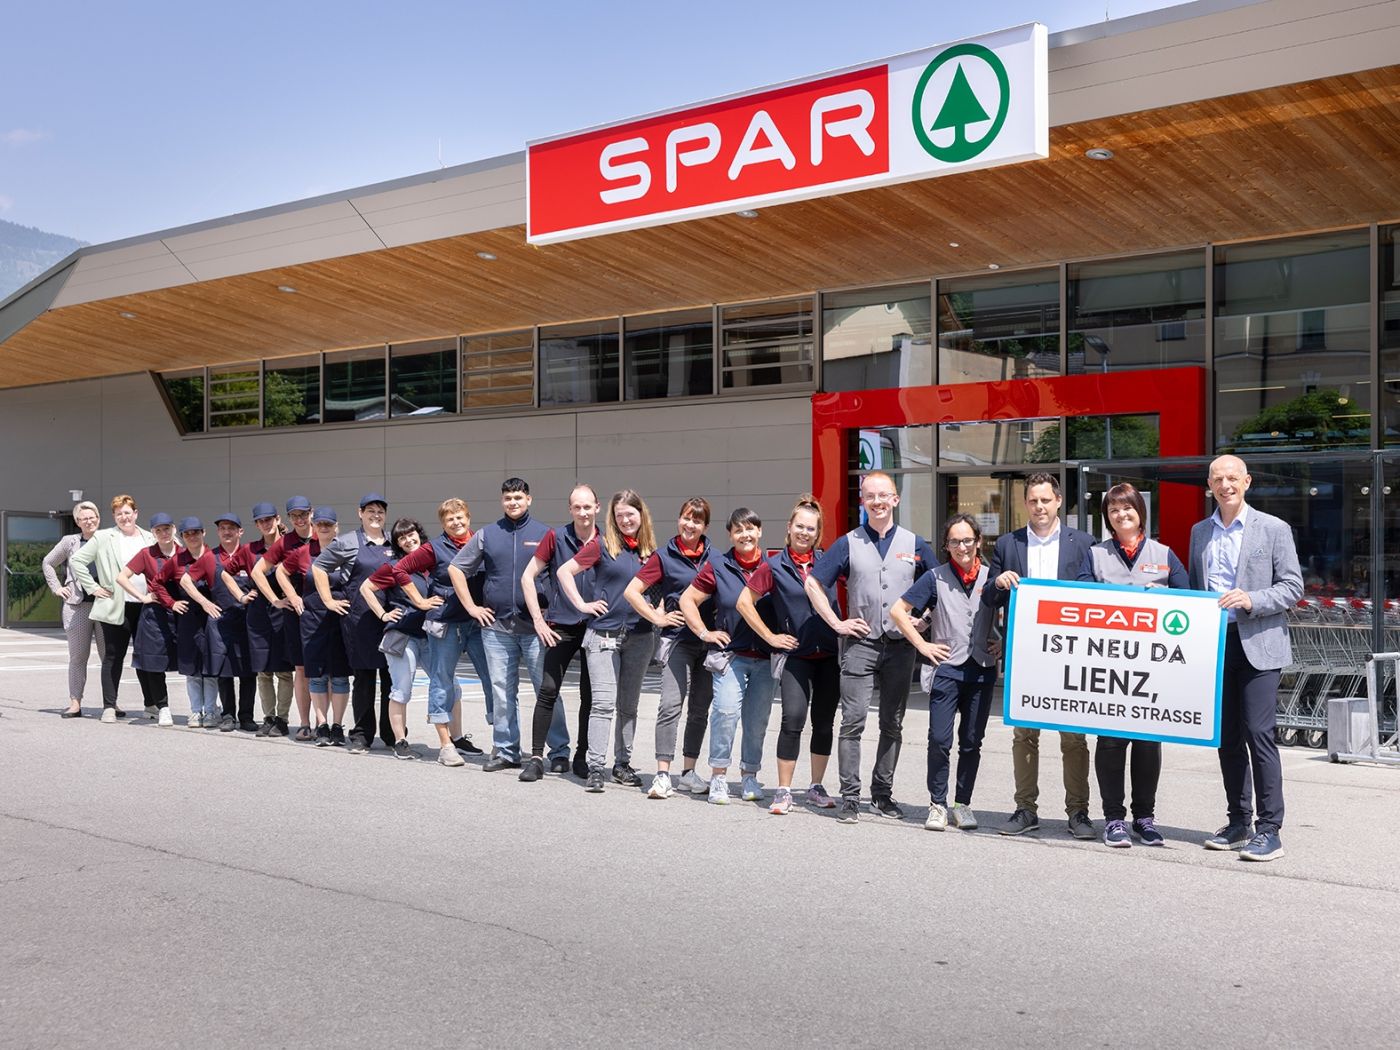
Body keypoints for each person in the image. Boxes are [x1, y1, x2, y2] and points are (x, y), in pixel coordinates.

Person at [805, 471, 938, 824]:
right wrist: (837, 623)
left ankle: (882, 794)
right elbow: (814, 582)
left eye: (884, 495)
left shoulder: (915, 544)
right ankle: (850, 797)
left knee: (893, 723)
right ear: (862, 501)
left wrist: (921, 625)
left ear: (896, 499)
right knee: (853, 721)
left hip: (899, 647)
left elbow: (942, 586)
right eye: (870, 496)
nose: (877, 501)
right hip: (859, 643)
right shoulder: (848, 542)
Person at [1189, 454, 1302, 862]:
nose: (1226, 485)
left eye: (1232, 477)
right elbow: (1197, 586)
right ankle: (1238, 821)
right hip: (1217, 646)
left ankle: (1270, 828)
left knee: (1259, 735)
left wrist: (1252, 599)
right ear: (1209, 484)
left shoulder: (1273, 528)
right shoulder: (1200, 532)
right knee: (1228, 738)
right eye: (1218, 478)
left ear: (1247, 482)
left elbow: (1292, 587)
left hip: (1259, 643)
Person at [983, 472, 1098, 839]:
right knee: (1024, 735)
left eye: (1046, 500)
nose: (1039, 507)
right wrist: (998, 583)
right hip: (1027, 655)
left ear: (1059, 501)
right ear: (1026, 503)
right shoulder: (1008, 543)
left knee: (1074, 738)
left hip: (1071, 656)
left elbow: (1095, 595)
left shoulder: (1084, 543)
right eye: (1033, 501)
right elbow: (989, 595)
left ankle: (1078, 812)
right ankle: (1025, 809)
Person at [1077, 483, 1189, 848]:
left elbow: (1190, 601)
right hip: (1108, 666)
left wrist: (1168, 596)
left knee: (1146, 742)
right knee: (1109, 741)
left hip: (1153, 668)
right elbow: (1079, 601)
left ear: (1140, 512)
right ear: (1107, 517)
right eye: (1114, 510)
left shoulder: (1164, 554)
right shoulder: (1095, 556)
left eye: (1128, 509)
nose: (1121, 515)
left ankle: (1144, 817)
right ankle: (1113, 819)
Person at [449, 477, 569, 772]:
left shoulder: (546, 534)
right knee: (502, 690)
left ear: (529, 499)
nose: (513, 502)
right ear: (502, 501)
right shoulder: (488, 534)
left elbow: (562, 575)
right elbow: (456, 568)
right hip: (496, 628)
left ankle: (559, 752)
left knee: (547, 690)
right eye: (507, 498)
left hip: (537, 628)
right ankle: (506, 750)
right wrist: (471, 607)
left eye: (518, 497)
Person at [890, 513, 999, 832]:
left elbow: (1012, 615)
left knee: (971, 741)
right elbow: (898, 611)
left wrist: (1003, 643)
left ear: (978, 542)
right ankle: (937, 803)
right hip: (947, 670)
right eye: (955, 541)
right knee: (939, 739)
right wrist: (922, 647)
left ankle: (962, 804)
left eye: (967, 540)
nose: (962, 547)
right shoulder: (935, 577)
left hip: (981, 670)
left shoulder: (993, 577)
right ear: (946, 545)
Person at [735, 494, 840, 814]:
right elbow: (743, 602)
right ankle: (783, 791)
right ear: (789, 528)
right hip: (796, 657)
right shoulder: (774, 566)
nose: (804, 533)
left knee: (823, 723)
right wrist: (770, 637)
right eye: (800, 527)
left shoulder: (828, 562)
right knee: (792, 719)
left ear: (817, 532)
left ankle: (816, 786)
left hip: (829, 655)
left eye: (811, 528)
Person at [556, 490, 658, 793]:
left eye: (631, 513)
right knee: (601, 704)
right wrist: (583, 605)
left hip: (639, 637)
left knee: (629, 706)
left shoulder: (651, 551)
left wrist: (660, 611)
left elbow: (662, 589)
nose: (626, 519)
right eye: (620, 514)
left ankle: (622, 764)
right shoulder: (602, 546)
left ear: (642, 515)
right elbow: (564, 571)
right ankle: (596, 767)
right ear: (612, 517)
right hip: (603, 636)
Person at [382, 497, 488, 768]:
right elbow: (400, 569)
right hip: (446, 623)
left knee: (492, 680)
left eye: (460, 516)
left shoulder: (481, 541)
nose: (456, 522)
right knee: (441, 681)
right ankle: (445, 745)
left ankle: (501, 742)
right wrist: (419, 601)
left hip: (477, 623)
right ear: (443, 523)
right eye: (449, 518)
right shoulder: (434, 548)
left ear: (468, 516)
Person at [680, 507, 774, 806]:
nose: (745, 534)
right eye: (738, 530)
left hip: (765, 656)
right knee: (725, 713)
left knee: (757, 720)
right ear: (731, 535)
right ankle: (719, 775)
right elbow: (687, 600)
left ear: (759, 531)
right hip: (731, 655)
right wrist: (704, 633)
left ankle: (749, 776)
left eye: (750, 528)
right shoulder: (718, 565)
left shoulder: (773, 565)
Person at [624, 497, 715, 795]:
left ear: (705, 526)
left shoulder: (714, 556)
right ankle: (663, 774)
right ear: (679, 519)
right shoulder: (664, 556)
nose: (690, 525)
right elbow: (632, 591)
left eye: (697, 521)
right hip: (677, 641)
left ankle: (688, 772)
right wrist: (657, 617)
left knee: (700, 709)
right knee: (670, 706)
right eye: (686, 518)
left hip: (708, 642)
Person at [521, 484, 599, 780]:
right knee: (548, 691)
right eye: (577, 507)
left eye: (587, 506)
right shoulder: (555, 536)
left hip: (595, 628)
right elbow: (527, 577)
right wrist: (539, 622)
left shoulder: (605, 540)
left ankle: (581, 756)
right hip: (561, 627)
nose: (582, 512)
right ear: (570, 509)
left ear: (597, 508)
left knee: (589, 697)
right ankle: (537, 758)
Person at [313, 493, 397, 754]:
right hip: (360, 620)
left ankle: (392, 733)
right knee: (364, 678)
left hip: (391, 618)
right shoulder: (347, 541)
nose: (376, 515)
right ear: (360, 513)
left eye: (380, 511)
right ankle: (361, 734)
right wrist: (328, 600)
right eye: (370, 510)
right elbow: (319, 567)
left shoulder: (394, 541)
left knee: (392, 678)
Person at [359, 517, 445, 761]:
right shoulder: (395, 566)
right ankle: (400, 741)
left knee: (447, 685)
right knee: (401, 691)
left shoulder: (432, 561)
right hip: (402, 635)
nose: (408, 540)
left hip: (431, 635)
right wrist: (383, 614)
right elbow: (366, 588)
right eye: (402, 538)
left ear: (420, 533)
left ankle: (453, 739)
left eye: (411, 534)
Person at [69, 495, 157, 723]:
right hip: (115, 605)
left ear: (136, 513)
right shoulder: (103, 537)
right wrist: (93, 587)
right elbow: (77, 561)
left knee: (145, 656)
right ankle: (109, 706)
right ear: (114, 517)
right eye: (119, 514)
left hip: (145, 605)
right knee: (112, 656)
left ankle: (151, 704)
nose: (124, 517)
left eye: (128, 512)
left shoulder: (149, 537)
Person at [277, 507, 349, 746]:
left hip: (340, 617)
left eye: (329, 524)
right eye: (320, 524)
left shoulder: (346, 550)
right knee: (315, 674)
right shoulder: (303, 552)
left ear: (336, 526)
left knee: (339, 674)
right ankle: (322, 724)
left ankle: (337, 726)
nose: (325, 528)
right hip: (312, 619)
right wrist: (292, 596)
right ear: (314, 527)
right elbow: (280, 572)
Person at [250, 497, 316, 738]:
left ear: (312, 512)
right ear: (288, 518)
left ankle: (326, 724)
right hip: (295, 612)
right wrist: (276, 600)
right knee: (299, 668)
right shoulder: (285, 542)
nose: (299, 519)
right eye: (294, 515)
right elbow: (259, 571)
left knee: (323, 671)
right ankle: (305, 723)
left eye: (303, 514)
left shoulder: (322, 533)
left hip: (321, 610)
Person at [111, 512, 181, 725]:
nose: (163, 533)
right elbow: (121, 577)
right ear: (153, 533)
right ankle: (163, 707)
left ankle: (203, 709)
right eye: (158, 530)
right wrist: (142, 597)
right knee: (154, 662)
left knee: (190, 660)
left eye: (167, 528)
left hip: (181, 613)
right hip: (154, 615)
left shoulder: (185, 553)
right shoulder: (146, 554)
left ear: (174, 529)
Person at [232, 503, 295, 737]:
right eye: (260, 521)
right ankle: (268, 717)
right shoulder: (249, 549)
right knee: (263, 671)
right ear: (256, 524)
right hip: (257, 614)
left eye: (269, 519)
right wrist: (240, 595)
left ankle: (282, 719)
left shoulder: (290, 545)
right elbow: (225, 573)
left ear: (278, 519)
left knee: (284, 671)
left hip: (284, 611)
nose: (266, 524)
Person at [43, 500, 108, 718]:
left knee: (109, 656)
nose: (88, 521)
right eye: (84, 518)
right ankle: (75, 702)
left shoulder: (109, 539)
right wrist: (57, 588)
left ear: (98, 519)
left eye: (92, 517)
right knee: (78, 657)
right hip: (77, 606)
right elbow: (48, 563)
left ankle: (111, 703)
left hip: (105, 604)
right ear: (77, 521)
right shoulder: (69, 542)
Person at [163, 517, 224, 729]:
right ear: (182, 536)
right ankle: (195, 712)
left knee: (210, 667)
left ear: (204, 533)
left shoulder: (213, 556)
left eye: (196, 532)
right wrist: (171, 603)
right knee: (192, 670)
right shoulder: (177, 560)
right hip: (189, 619)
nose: (192, 537)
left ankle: (210, 711)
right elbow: (157, 582)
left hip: (212, 618)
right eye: (187, 534)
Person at [204, 513, 257, 732]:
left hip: (247, 620)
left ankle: (246, 716)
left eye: (232, 528)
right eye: (223, 528)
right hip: (221, 621)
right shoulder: (210, 557)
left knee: (247, 671)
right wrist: (205, 603)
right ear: (218, 532)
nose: (227, 532)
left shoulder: (249, 554)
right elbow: (189, 582)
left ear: (240, 532)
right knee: (224, 671)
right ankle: (227, 715)